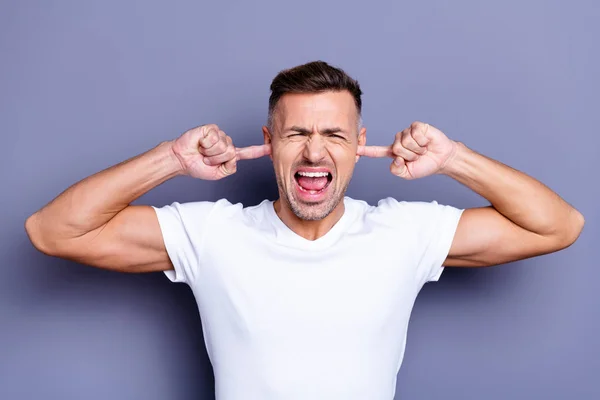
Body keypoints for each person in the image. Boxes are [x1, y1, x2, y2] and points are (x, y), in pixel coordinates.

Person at [25, 61, 584, 400]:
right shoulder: (213, 234)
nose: (315, 150)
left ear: (360, 142)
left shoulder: (404, 232)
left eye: (334, 135)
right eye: (296, 133)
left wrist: (455, 158)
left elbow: (560, 225)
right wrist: (170, 159)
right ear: (269, 142)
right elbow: (52, 231)